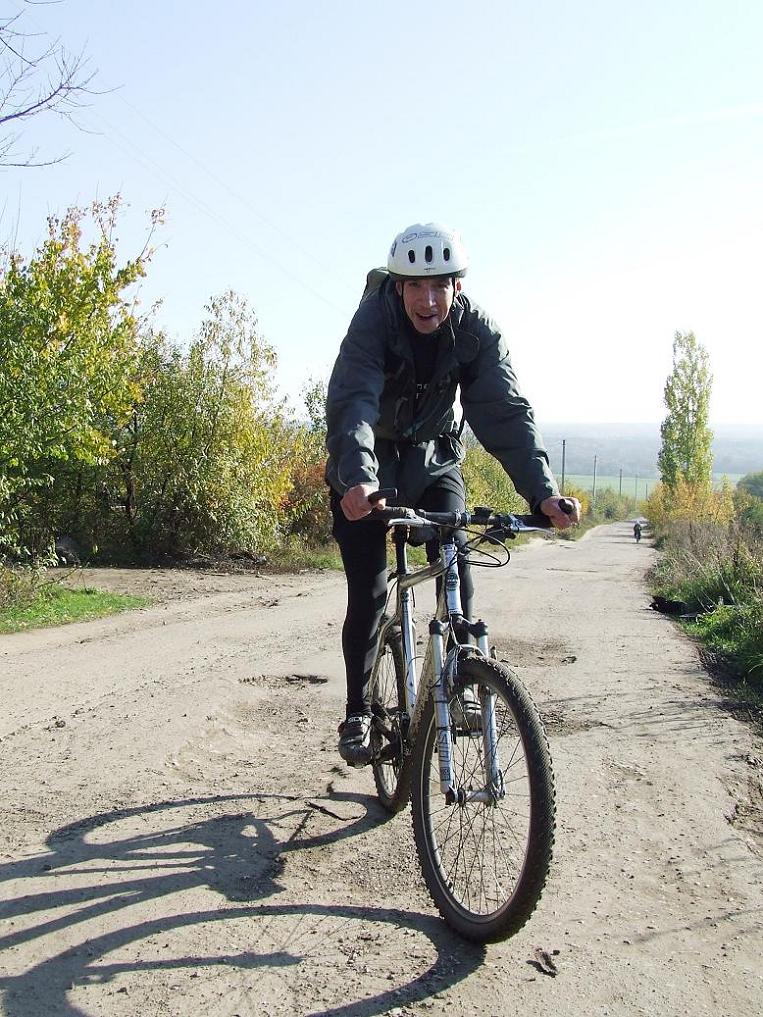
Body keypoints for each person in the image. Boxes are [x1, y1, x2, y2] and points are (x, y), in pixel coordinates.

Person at [325, 222, 579, 766]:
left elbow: (504, 412)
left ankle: (461, 674)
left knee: (455, 559)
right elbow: (353, 402)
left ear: (456, 287)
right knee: (369, 590)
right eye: (416, 286)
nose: (428, 300)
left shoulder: (475, 331)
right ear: (399, 287)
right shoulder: (373, 321)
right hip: (369, 471)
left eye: (440, 285)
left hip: (435, 461)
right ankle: (358, 711)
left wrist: (543, 494)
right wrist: (357, 477)